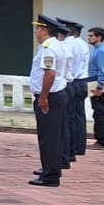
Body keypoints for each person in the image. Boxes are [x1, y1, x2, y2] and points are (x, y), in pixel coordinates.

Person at [29, 16, 69, 187]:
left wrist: (43, 97)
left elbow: (50, 74)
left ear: (45, 30)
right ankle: (52, 169)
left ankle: (50, 175)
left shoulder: (48, 47)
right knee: (54, 135)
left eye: (38, 29)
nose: (36, 32)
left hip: (50, 95)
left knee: (48, 137)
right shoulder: (57, 45)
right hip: (57, 93)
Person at [61, 19, 89, 164]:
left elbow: (67, 66)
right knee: (79, 115)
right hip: (82, 81)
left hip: (73, 81)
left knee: (70, 117)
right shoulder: (83, 44)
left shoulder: (68, 44)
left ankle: (71, 146)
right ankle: (79, 145)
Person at [87, 26, 104, 148]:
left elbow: (103, 71)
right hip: (95, 83)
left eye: (91, 36)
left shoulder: (101, 51)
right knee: (97, 114)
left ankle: (102, 141)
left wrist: (99, 88)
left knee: (100, 114)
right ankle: (99, 139)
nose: (89, 38)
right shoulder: (97, 50)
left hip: (100, 86)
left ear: (99, 37)